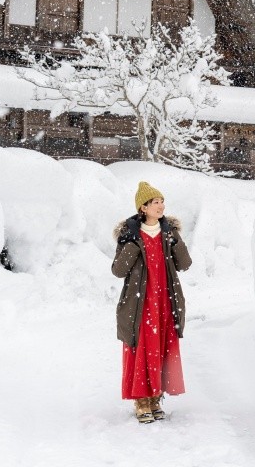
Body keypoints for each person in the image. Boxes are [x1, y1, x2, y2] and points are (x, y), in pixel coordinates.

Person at [112, 180, 193, 424]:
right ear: (143, 208)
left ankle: (156, 398)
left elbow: (185, 264)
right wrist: (132, 246)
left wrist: (175, 241)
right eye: (156, 202)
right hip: (140, 304)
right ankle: (141, 401)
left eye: (162, 201)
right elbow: (118, 270)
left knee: (161, 347)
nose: (161, 206)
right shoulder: (130, 235)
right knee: (142, 350)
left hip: (165, 301)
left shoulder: (168, 232)